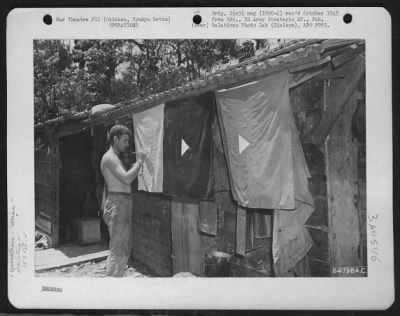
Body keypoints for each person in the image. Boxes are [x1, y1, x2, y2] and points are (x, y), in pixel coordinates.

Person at [100, 124, 148, 277]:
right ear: (115, 139)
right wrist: (140, 161)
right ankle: (113, 284)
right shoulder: (109, 158)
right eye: (125, 141)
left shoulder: (115, 158)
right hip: (117, 202)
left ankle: (117, 277)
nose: (127, 145)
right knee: (117, 247)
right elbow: (127, 179)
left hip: (122, 202)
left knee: (123, 247)